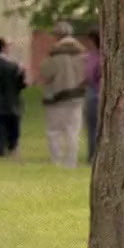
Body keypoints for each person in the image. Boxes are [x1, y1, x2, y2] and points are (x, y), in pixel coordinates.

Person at [37, 21, 87, 168]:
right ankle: (71, 162)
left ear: (57, 36)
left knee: (54, 131)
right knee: (73, 131)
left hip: (55, 98)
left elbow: (45, 74)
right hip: (76, 98)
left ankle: (56, 161)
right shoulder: (82, 57)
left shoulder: (53, 57)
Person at [82, 28, 101, 163]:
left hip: (95, 93)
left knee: (93, 126)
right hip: (95, 92)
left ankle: (93, 154)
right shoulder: (92, 56)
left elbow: (90, 76)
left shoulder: (95, 57)